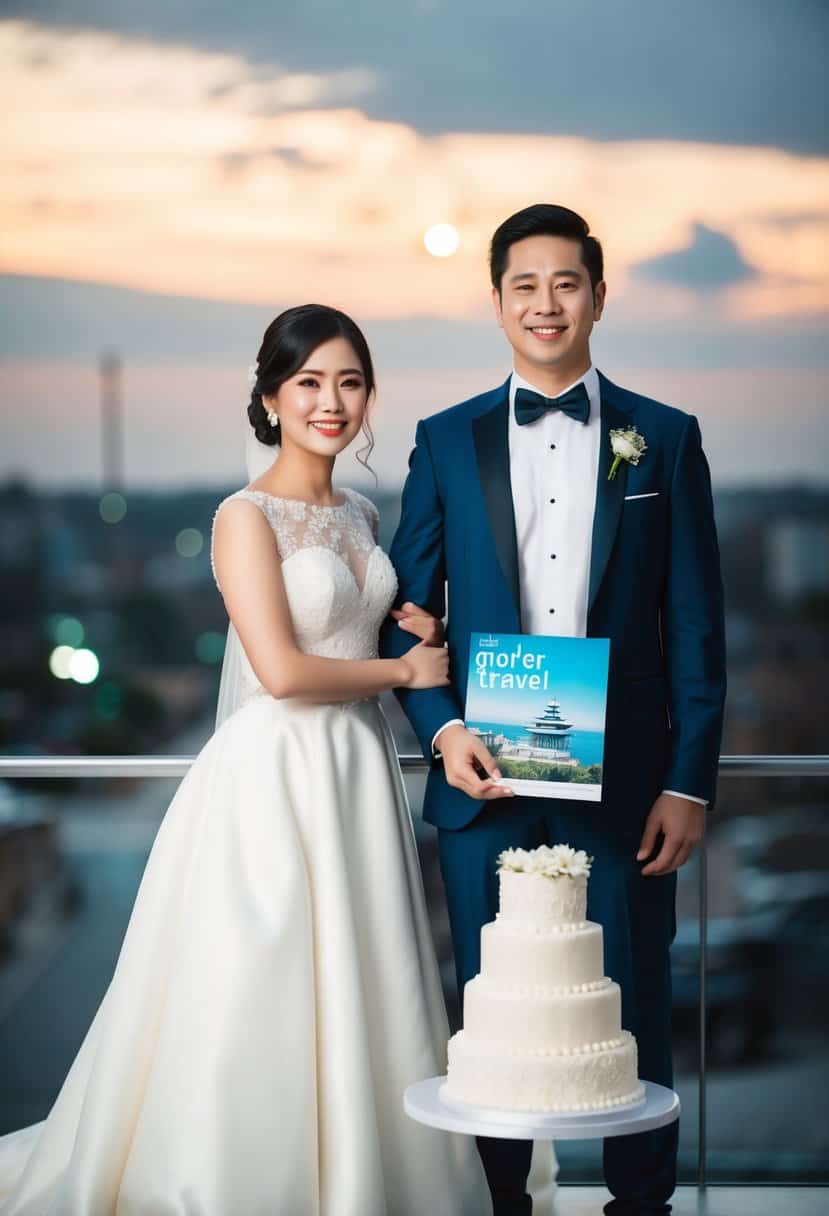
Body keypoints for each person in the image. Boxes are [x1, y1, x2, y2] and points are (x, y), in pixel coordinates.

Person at [0, 304, 488, 1215]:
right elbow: (282, 668)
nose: (330, 401)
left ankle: (364, 1172)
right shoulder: (241, 516)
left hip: (355, 769)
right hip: (275, 773)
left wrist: (417, 628)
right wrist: (402, 667)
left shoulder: (361, 511)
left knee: (366, 975)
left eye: (348, 381)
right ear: (269, 397)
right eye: (307, 382)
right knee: (267, 982)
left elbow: (349, 622)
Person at [380, 204, 727, 1216]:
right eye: (523, 284)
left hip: (626, 782)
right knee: (491, 1022)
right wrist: (441, 729)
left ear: (598, 296)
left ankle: (642, 1206)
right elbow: (407, 615)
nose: (545, 302)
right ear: (496, 302)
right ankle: (500, 1207)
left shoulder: (661, 439)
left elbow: (698, 626)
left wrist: (685, 778)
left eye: (565, 282)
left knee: (635, 1008)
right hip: (480, 777)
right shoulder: (444, 440)